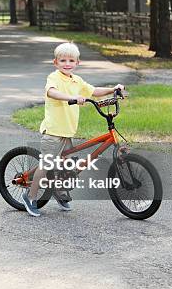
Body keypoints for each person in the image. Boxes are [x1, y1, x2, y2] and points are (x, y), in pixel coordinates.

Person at [21, 42, 124, 217]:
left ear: (77, 63)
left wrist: (113, 89)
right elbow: (52, 92)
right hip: (53, 131)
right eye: (62, 60)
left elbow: (94, 91)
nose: (67, 63)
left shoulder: (77, 80)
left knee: (65, 167)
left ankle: (60, 193)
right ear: (56, 62)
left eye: (71, 60)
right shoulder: (54, 78)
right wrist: (72, 98)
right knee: (46, 165)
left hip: (68, 131)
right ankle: (30, 197)